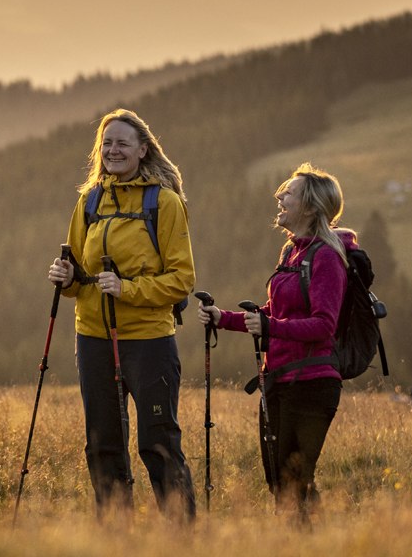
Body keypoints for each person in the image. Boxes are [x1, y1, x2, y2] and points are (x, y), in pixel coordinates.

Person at [46, 108, 196, 519]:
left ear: (143, 150)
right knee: (102, 443)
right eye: (106, 143)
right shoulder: (90, 200)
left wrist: (126, 288)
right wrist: (66, 277)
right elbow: (79, 272)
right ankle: (115, 535)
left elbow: (181, 280)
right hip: (92, 336)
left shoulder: (164, 203)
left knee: (158, 440)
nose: (113, 151)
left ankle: (181, 539)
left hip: (148, 341)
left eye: (122, 143)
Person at [196, 163, 354, 524]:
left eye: (289, 193)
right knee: (278, 481)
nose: (279, 197)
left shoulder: (327, 257)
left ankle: (312, 541)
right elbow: (275, 313)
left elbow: (322, 325)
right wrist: (226, 318)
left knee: (293, 482)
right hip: (280, 380)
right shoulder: (291, 253)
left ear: (311, 207)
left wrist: (269, 326)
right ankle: (311, 541)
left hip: (312, 383)